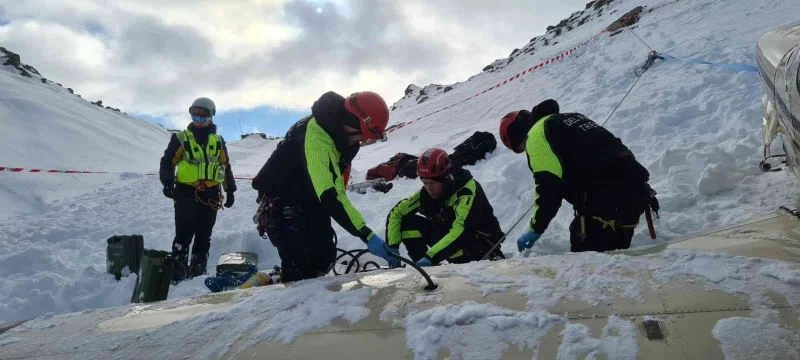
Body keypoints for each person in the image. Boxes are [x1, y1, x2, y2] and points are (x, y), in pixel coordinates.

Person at [252, 91, 395, 282]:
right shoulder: (318, 138)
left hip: (309, 196)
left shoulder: (342, 139)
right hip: (280, 199)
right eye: (362, 136)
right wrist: (367, 235)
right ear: (353, 122)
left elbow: (337, 189)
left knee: (324, 259)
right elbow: (330, 196)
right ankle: (284, 285)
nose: (361, 141)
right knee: (299, 271)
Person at [498, 99, 655, 253]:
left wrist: (536, 229)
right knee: (617, 258)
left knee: (587, 266)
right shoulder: (570, 118)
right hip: (636, 191)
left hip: (607, 200)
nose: (525, 150)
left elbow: (549, 188)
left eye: (520, 147)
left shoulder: (536, 136)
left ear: (518, 135)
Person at [384, 148, 505, 267]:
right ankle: (423, 270)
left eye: (432, 183)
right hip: (448, 241)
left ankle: (448, 267)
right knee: (408, 223)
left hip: (478, 244)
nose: (428, 188)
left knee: (461, 238)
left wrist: (431, 256)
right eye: (425, 183)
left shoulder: (466, 190)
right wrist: (392, 246)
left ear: (446, 178)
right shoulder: (427, 193)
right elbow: (397, 212)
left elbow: (462, 229)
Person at [160, 97, 237, 282]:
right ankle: (177, 275)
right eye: (195, 113)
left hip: (211, 194)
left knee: (204, 234)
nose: (199, 118)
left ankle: (197, 273)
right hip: (186, 192)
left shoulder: (218, 141)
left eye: (204, 114)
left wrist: (230, 190)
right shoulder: (180, 138)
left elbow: (225, 166)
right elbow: (168, 161)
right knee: (184, 233)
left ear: (211, 116)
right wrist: (168, 182)